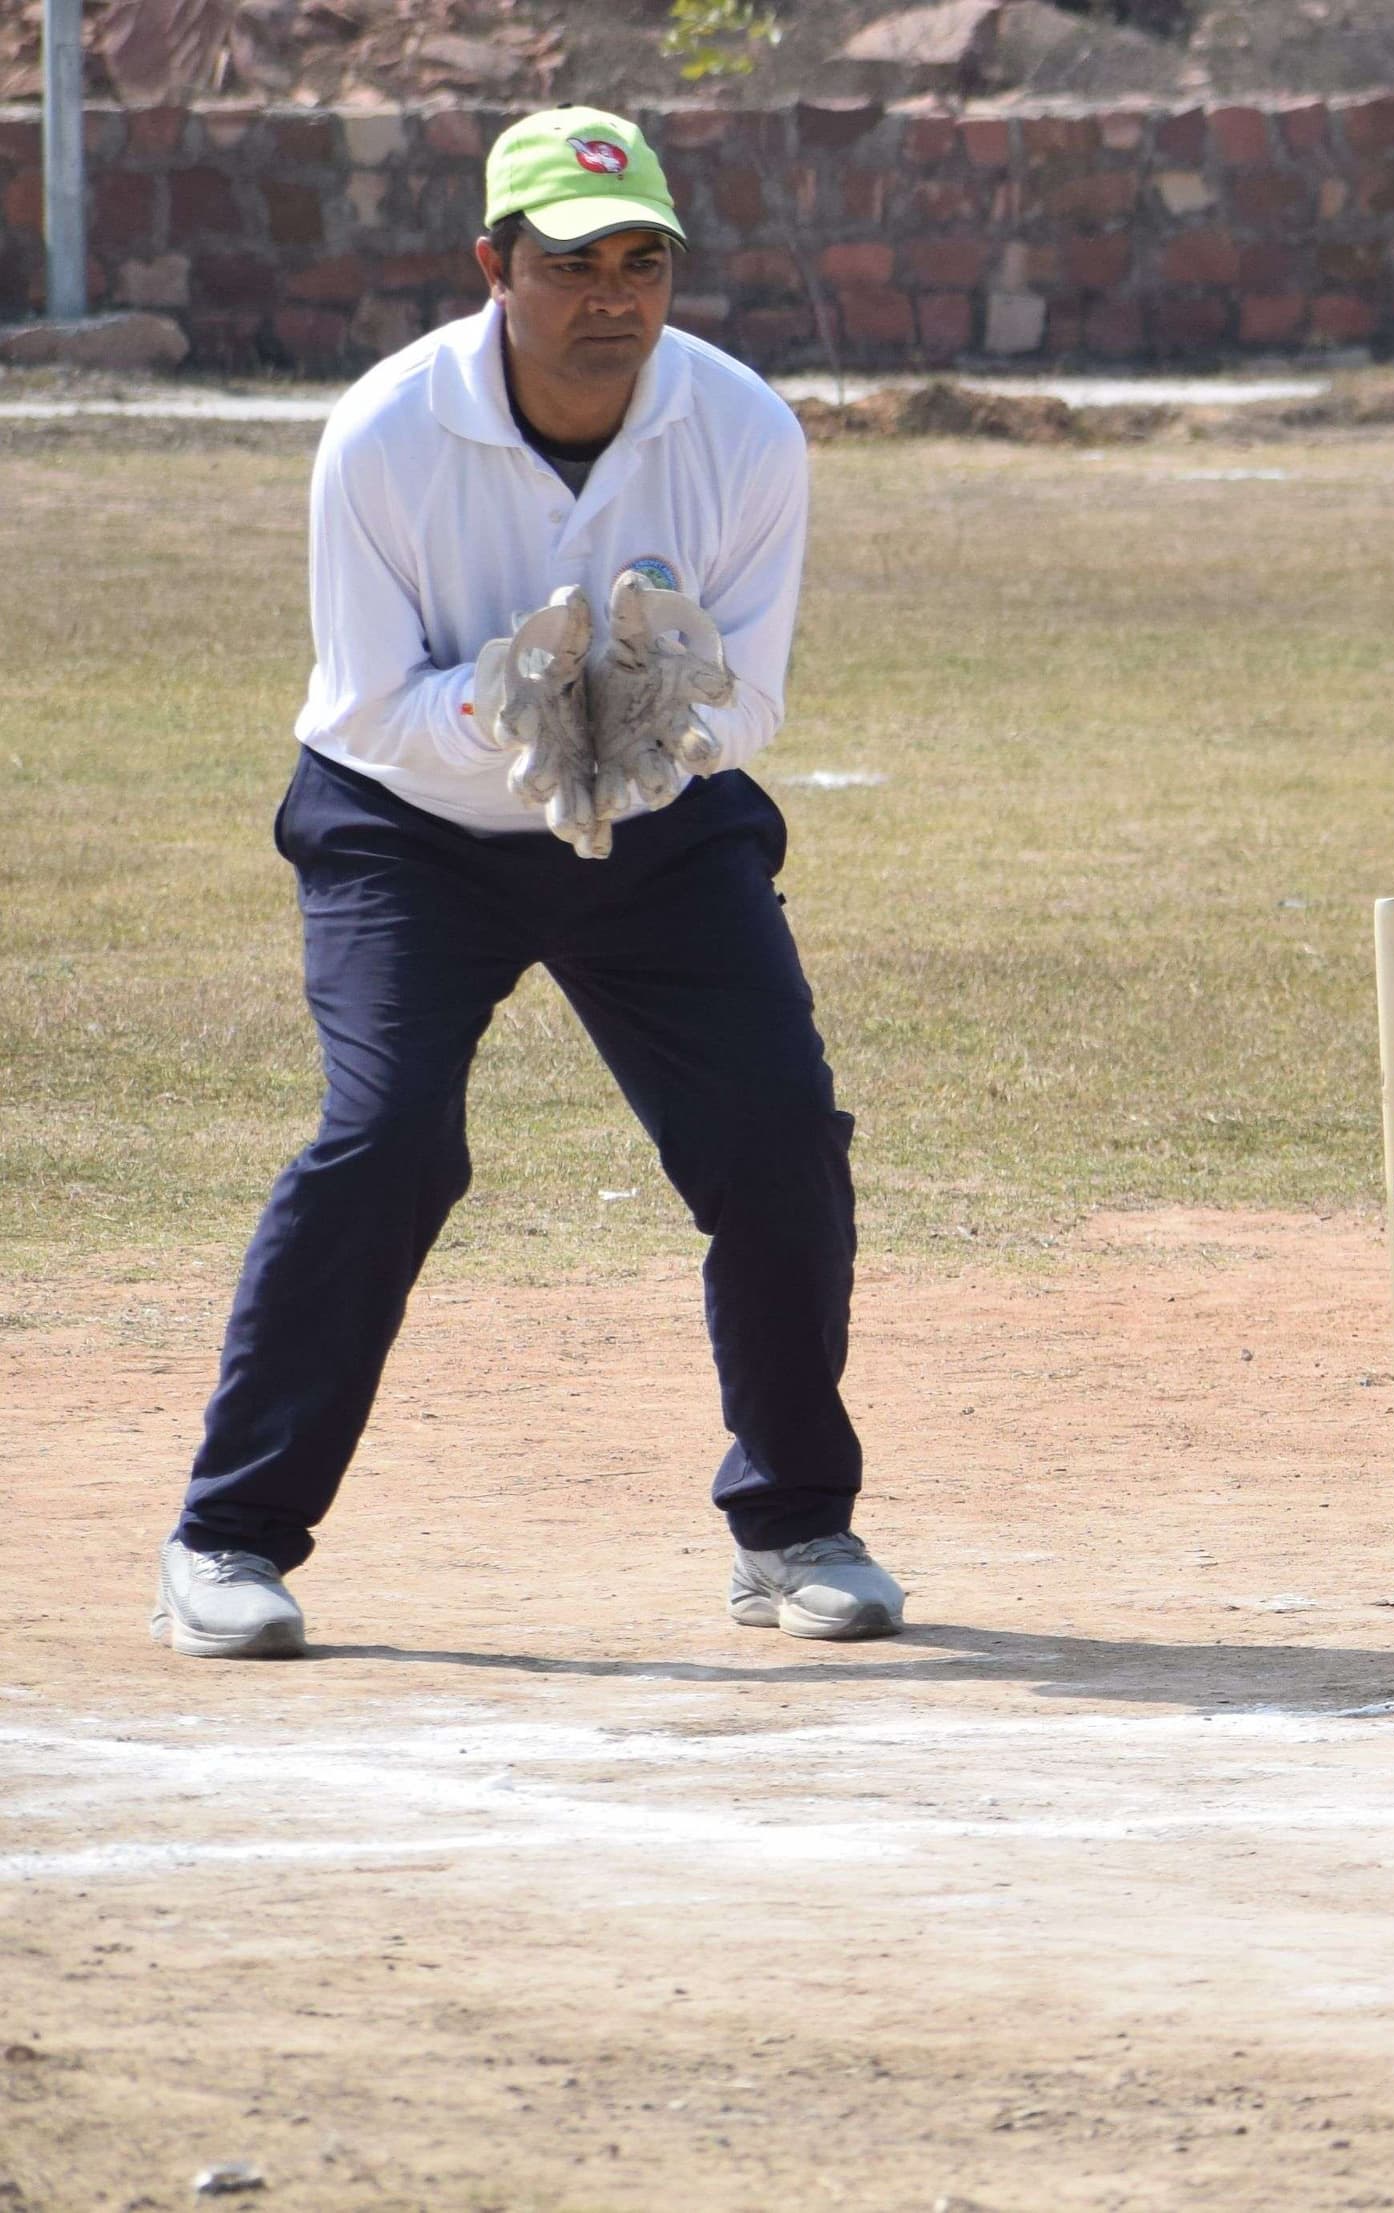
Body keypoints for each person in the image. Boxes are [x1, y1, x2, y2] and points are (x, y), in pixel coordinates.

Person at [151, 108, 904, 1659]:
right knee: (386, 1143)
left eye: (644, 261)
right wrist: (507, 710)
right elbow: (363, 704)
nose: (612, 296)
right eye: (570, 263)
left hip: (657, 831)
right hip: (405, 825)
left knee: (779, 1139)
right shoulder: (386, 428)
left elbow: (748, 701)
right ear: (495, 264)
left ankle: (793, 1525)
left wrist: (639, 726)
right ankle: (226, 1539)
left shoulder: (746, 429)